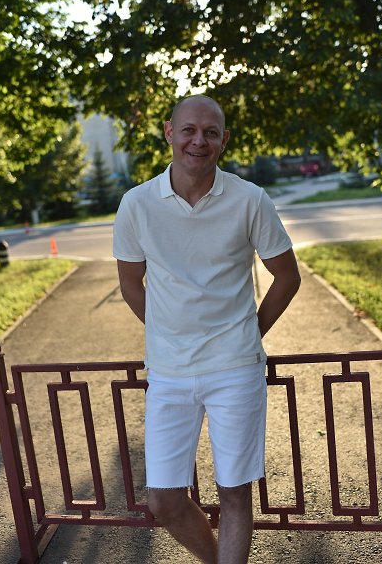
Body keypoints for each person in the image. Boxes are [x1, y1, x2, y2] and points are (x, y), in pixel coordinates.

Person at [113, 94, 301, 563]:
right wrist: (167, 331)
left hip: (234, 367)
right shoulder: (136, 204)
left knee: (235, 493)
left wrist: (249, 334)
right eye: (189, 130)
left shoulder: (250, 199)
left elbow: (287, 276)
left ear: (223, 140)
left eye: (210, 133)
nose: (199, 141)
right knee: (164, 500)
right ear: (169, 132)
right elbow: (130, 283)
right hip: (169, 371)